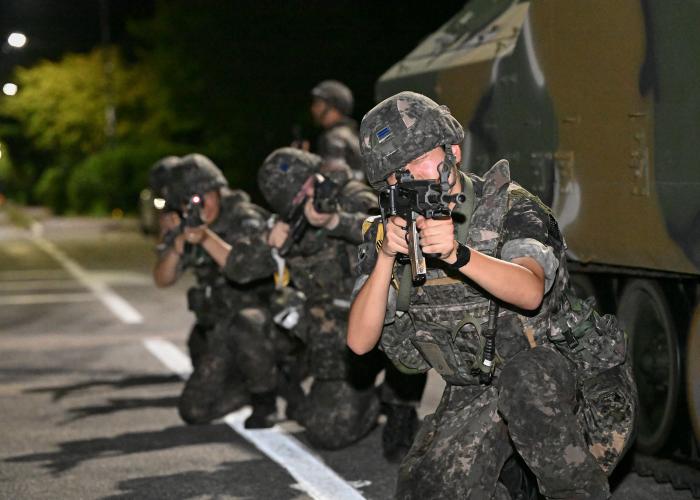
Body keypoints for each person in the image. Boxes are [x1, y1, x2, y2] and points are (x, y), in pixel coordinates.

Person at [347, 92, 638, 499]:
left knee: (526, 378)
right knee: (426, 491)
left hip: (570, 392)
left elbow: (530, 291)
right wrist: (384, 258)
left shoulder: (511, 208)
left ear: (454, 152)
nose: (411, 176)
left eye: (419, 159)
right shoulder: (387, 234)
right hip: (480, 389)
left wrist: (457, 253)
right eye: (396, 171)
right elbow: (359, 341)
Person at [228, 147, 427, 457]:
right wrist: (269, 243)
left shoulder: (351, 196)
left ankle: (399, 404)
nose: (311, 194)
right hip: (325, 333)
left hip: (373, 321)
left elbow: (385, 228)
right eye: (300, 193)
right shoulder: (286, 223)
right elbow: (236, 268)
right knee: (326, 431)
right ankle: (322, 393)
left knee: (408, 315)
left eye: (310, 183)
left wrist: (335, 221)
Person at [151, 153, 281, 428]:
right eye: (188, 200)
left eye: (202, 196)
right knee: (194, 411)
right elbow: (163, 279)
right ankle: (250, 383)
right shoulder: (191, 224)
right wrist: (175, 244)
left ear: (218, 190)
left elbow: (246, 268)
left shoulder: (245, 218)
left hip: (267, 328)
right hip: (222, 332)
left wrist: (206, 238)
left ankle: (265, 399)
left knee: (245, 321)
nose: (198, 205)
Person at [310, 80, 364, 181]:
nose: (313, 109)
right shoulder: (352, 134)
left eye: (318, 104)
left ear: (332, 106)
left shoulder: (335, 137)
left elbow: (333, 179)